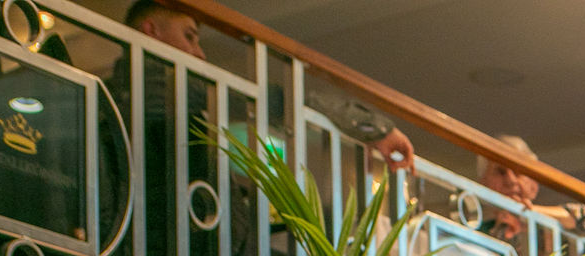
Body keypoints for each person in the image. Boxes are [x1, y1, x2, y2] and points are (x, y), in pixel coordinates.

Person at [124, 0, 415, 170]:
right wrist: (375, 128)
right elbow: (276, 101)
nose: (199, 53)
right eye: (189, 36)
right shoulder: (161, 88)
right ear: (151, 31)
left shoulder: (130, 98)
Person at [476, 135, 585, 243]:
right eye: (500, 172)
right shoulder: (474, 228)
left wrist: (526, 212)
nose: (511, 180)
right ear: (483, 183)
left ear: (533, 185)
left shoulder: (553, 228)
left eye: (518, 171)